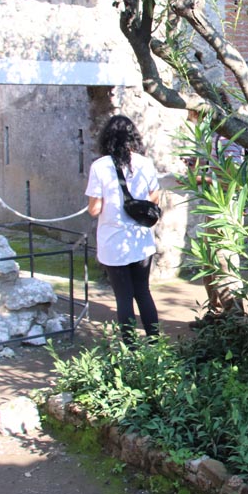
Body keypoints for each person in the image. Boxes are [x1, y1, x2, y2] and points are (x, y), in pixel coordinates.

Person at [85, 115, 161, 344]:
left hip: (113, 241)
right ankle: (156, 343)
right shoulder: (145, 163)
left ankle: (131, 347)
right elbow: (155, 197)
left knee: (124, 297)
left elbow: (94, 209)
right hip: (141, 239)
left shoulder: (99, 167)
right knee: (143, 292)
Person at [185, 110, 246, 324]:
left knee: (224, 261)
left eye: (191, 113)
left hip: (225, 209)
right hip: (214, 207)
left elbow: (233, 180)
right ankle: (217, 313)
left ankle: (235, 317)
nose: (188, 119)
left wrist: (200, 178)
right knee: (208, 261)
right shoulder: (214, 138)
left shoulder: (228, 139)